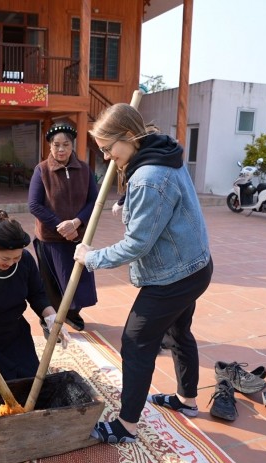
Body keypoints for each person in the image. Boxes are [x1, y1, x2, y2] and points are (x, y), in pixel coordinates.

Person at [72, 103, 213, 444]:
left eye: (108, 149)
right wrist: (127, 201)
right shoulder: (161, 149)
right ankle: (186, 400)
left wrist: (91, 257)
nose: (107, 157)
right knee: (180, 331)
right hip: (196, 265)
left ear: (129, 136)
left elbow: (136, 245)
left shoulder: (149, 179)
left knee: (135, 343)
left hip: (174, 276)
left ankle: (127, 426)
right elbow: (157, 196)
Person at [0, 209, 71, 393]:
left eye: (16, 258)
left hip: (15, 332)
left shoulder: (25, 260)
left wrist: (52, 319)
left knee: (32, 386)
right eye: (5, 258)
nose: (11, 263)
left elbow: (37, 294)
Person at [28, 123, 98, 332]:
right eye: (56, 145)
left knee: (77, 278)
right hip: (51, 237)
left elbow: (94, 201)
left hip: (78, 236)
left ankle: (72, 313)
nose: (61, 149)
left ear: (72, 145)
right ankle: (49, 319)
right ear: (49, 146)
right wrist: (61, 226)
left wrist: (76, 223)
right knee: (51, 282)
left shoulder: (84, 169)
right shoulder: (42, 170)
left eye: (65, 145)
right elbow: (34, 205)